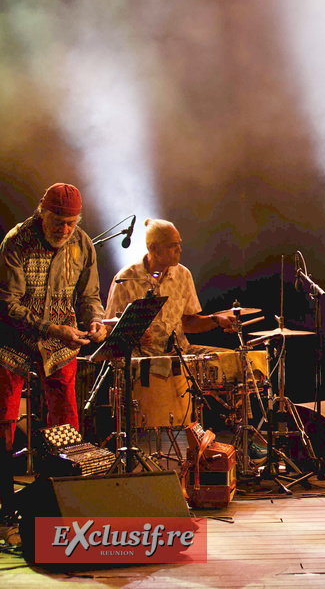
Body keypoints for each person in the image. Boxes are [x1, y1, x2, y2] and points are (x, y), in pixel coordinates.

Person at [1, 183, 106, 510]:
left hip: (60, 344)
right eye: (58, 221)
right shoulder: (17, 242)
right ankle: (5, 503)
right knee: (4, 418)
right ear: (41, 212)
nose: (65, 229)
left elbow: (89, 297)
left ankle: (62, 497)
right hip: (13, 342)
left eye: (71, 222)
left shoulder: (82, 244)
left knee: (65, 419)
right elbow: (9, 305)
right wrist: (53, 329)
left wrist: (96, 321)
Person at [104, 219, 237, 356]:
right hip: (143, 358)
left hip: (180, 352)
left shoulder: (183, 274)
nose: (179, 249)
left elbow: (187, 322)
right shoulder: (125, 278)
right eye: (173, 246)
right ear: (153, 248)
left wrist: (216, 319)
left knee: (232, 358)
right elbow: (109, 328)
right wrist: (132, 335)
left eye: (179, 244)